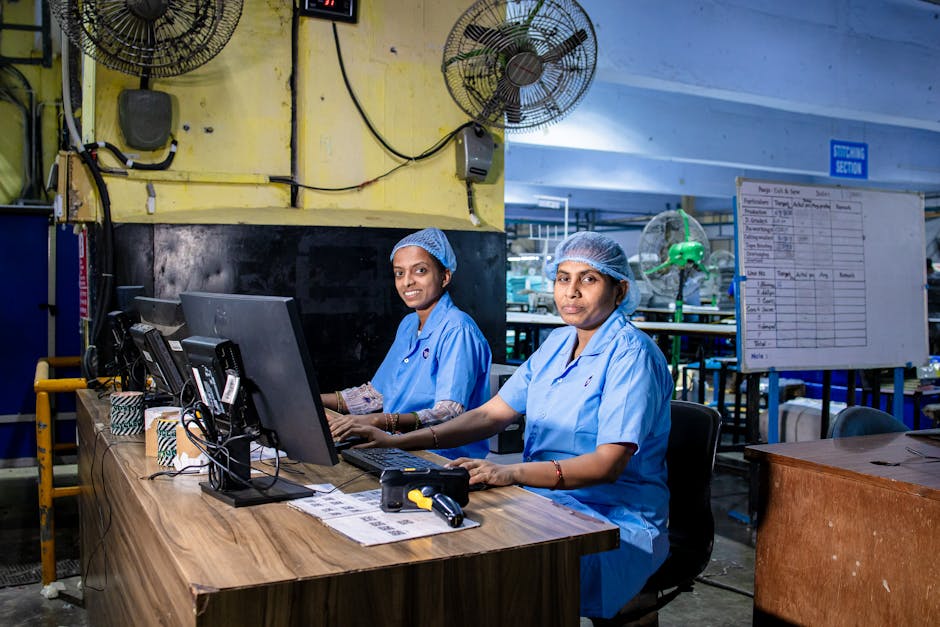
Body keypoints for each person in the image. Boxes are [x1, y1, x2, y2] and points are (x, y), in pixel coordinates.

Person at [332, 230, 673, 622]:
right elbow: (488, 415)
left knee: (492, 576)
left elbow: (606, 466)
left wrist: (508, 473)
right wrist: (400, 441)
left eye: (588, 279)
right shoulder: (557, 344)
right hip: (548, 501)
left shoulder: (632, 356)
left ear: (620, 289)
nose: (572, 292)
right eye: (563, 278)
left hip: (613, 520)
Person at [323, 228, 492, 460]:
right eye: (399, 273)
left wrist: (378, 421)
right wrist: (310, 400)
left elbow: (449, 413)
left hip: (442, 458)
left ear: (445, 276)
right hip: (397, 448)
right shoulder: (409, 325)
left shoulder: (457, 329)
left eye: (420, 271)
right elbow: (375, 396)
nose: (407, 282)